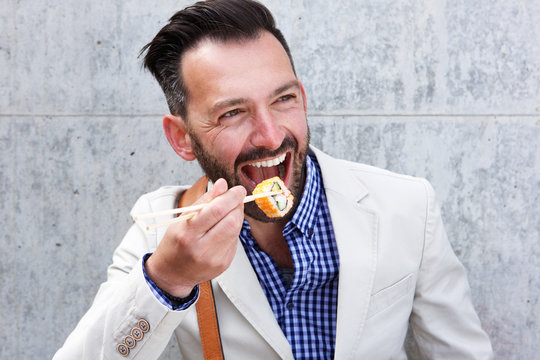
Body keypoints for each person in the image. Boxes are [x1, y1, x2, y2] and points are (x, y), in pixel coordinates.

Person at [54, 0, 493, 359]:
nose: (270, 136)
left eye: (282, 100)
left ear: (300, 98)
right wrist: (167, 279)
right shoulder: (159, 227)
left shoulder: (406, 206)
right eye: (232, 113)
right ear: (182, 138)